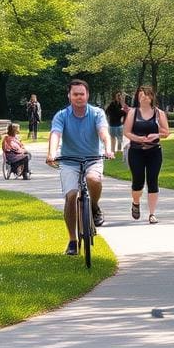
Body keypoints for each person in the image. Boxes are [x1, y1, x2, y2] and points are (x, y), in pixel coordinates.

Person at [46, 79, 116, 256]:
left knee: (93, 179)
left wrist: (108, 149)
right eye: (75, 94)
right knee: (71, 196)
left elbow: (104, 133)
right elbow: (55, 134)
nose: (79, 97)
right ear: (69, 96)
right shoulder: (62, 115)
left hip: (92, 158)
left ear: (87, 95)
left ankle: (93, 205)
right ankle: (72, 240)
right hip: (70, 161)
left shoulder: (96, 113)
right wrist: (52, 153)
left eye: (82, 94)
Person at [123, 85, 170, 224]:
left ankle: (152, 213)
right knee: (138, 181)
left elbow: (166, 132)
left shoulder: (158, 113)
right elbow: (127, 131)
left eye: (145, 95)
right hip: (136, 151)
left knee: (153, 181)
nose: (143, 97)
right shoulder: (133, 112)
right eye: (140, 95)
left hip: (154, 150)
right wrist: (138, 139)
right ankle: (136, 202)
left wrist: (156, 134)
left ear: (151, 97)